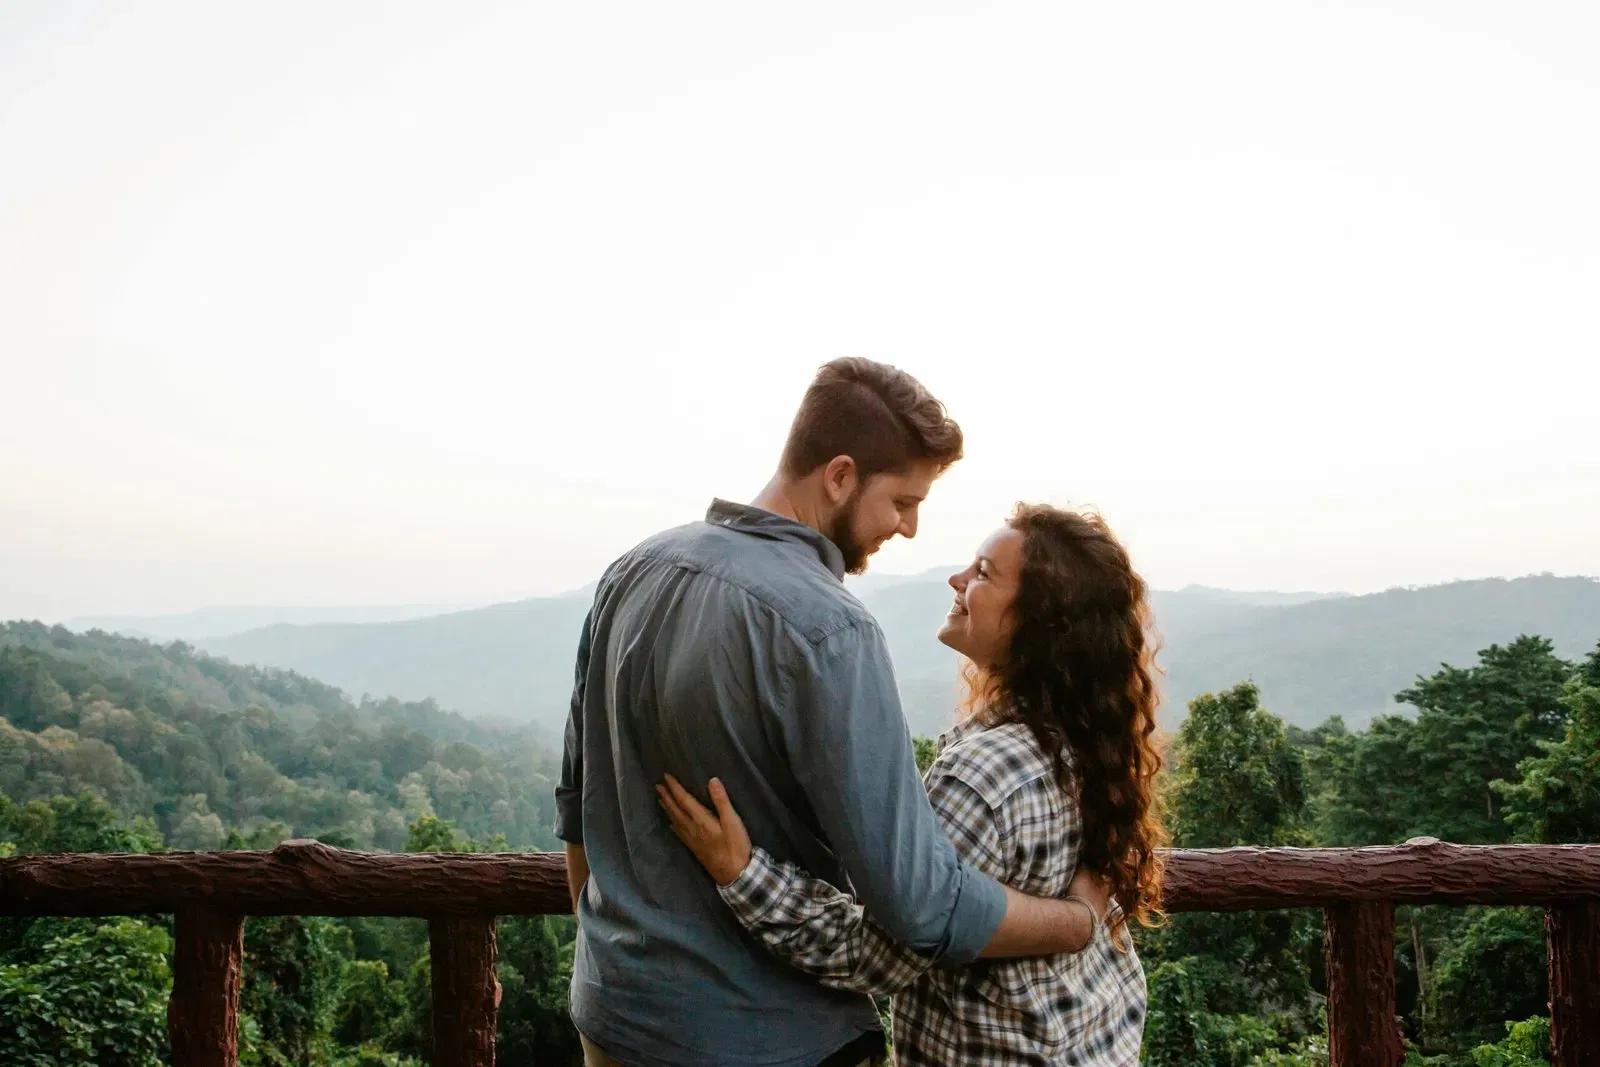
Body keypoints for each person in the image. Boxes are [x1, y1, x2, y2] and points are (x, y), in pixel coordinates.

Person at [556, 359, 1111, 1067]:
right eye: (902, 500)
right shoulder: (830, 630)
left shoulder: (632, 571)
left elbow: (578, 807)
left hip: (611, 1020)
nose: (909, 527)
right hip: (768, 1035)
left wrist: (618, 967)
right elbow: (921, 904)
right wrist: (1074, 920)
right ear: (840, 475)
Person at [659, 503, 1167, 1065]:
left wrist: (742, 872)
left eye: (982, 573)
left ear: (1038, 622)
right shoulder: (1086, 738)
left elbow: (879, 957)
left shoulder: (979, 779)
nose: (956, 579)